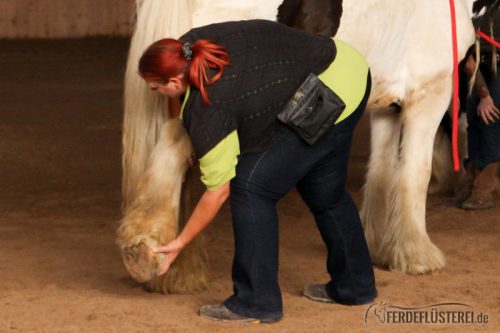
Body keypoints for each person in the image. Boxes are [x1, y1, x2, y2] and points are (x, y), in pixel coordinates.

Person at [138, 19, 377, 323]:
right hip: (347, 67)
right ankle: (354, 285)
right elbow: (178, 96)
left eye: (155, 88)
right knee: (323, 191)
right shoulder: (188, 46)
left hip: (325, 93)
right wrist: (181, 132)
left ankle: (255, 300)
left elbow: (218, 190)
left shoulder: (210, 109)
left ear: (173, 82)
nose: (156, 93)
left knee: (250, 187)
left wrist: (180, 242)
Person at [458, 7, 500, 210]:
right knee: (474, 120)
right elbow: (466, 60)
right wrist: (484, 94)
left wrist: (488, 97)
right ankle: (471, 180)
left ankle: (486, 186)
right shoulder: (465, 6)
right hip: (477, 63)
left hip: (496, 63)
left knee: (490, 119)